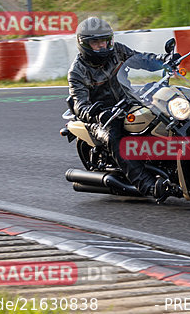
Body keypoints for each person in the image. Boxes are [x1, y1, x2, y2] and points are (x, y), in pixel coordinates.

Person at [66, 16, 183, 203]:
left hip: (129, 101)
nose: (102, 47)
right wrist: (97, 113)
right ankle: (148, 185)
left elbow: (140, 59)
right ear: (84, 44)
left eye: (105, 41)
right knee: (115, 138)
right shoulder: (78, 71)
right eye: (96, 43)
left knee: (168, 109)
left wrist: (164, 60)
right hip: (103, 116)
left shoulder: (117, 51)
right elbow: (80, 104)